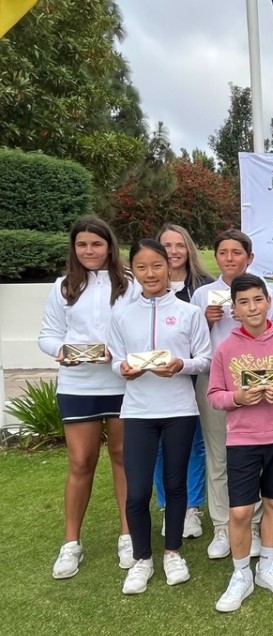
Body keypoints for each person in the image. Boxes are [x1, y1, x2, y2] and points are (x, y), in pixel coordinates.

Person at [107, 239, 212, 594]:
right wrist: (123, 369)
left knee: (174, 485)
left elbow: (205, 359)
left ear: (169, 267)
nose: (150, 273)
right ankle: (142, 559)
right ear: (132, 271)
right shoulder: (121, 313)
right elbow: (115, 360)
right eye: (142, 267)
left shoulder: (189, 312)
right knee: (136, 493)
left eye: (156, 265)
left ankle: (172, 553)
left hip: (179, 410)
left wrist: (183, 365)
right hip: (138, 412)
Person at [39, 216, 138, 579]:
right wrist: (62, 349)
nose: (89, 251)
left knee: (123, 457)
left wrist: (120, 351)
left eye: (96, 244)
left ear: (109, 246)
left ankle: (128, 535)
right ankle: (71, 544)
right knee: (81, 462)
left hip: (120, 384)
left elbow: (138, 328)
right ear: (74, 248)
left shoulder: (129, 284)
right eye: (82, 245)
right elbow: (47, 335)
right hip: (78, 384)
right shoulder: (63, 286)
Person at [207, 273, 273, 612]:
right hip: (243, 440)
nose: (252, 307)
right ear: (234, 309)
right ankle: (240, 574)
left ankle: (267, 565)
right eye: (243, 302)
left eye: (257, 300)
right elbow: (215, 396)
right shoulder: (226, 348)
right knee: (240, 510)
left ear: (268, 301)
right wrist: (237, 396)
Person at [190, 230, 273, 560]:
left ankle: (254, 524)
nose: (230, 258)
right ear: (216, 258)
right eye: (223, 252)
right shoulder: (203, 295)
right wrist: (204, 321)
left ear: (250, 258)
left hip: (259, 385)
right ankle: (221, 526)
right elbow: (188, 342)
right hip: (216, 383)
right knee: (218, 455)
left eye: (237, 252)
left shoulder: (265, 292)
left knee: (252, 457)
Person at [153, 223, 215, 539]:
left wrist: (208, 321)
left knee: (195, 443)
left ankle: (192, 508)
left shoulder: (206, 286)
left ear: (189, 249)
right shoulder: (146, 286)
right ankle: (167, 506)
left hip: (196, 372)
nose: (174, 252)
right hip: (156, 377)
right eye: (167, 245)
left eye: (180, 245)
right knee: (160, 445)